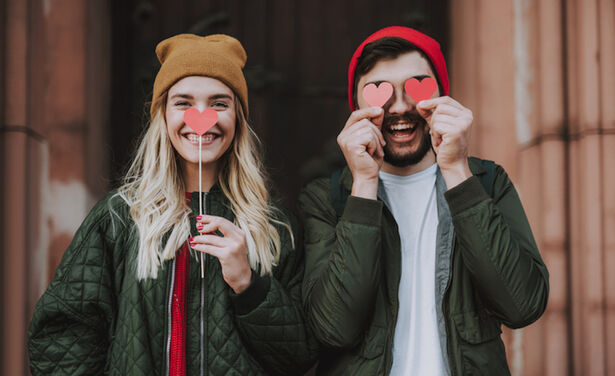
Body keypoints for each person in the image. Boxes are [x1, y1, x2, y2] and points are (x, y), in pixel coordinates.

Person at [28, 33, 317, 375]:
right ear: (163, 115)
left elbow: (299, 357)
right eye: (183, 102)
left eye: (219, 103)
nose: (202, 116)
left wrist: (249, 285)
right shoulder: (118, 218)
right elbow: (60, 335)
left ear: (237, 118)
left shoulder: (274, 229)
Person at [298, 26, 549, 375]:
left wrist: (457, 169)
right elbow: (334, 328)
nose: (400, 107)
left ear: (442, 96)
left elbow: (523, 305)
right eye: (380, 92)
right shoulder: (327, 198)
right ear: (357, 107)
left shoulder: (487, 182)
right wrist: (365, 183)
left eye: (417, 86)